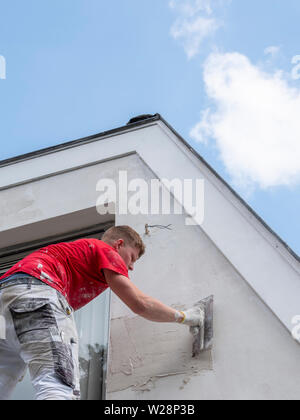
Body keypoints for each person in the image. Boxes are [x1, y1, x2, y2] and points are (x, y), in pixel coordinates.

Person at [0, 225, 204, 400]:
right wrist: (185, 317)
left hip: (5, 300)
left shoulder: (77, 255)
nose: (131, 267)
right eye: (132, 258)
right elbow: (140, 304)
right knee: (58, 386)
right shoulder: (105, 251)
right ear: (119, 244)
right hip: (36, 292)